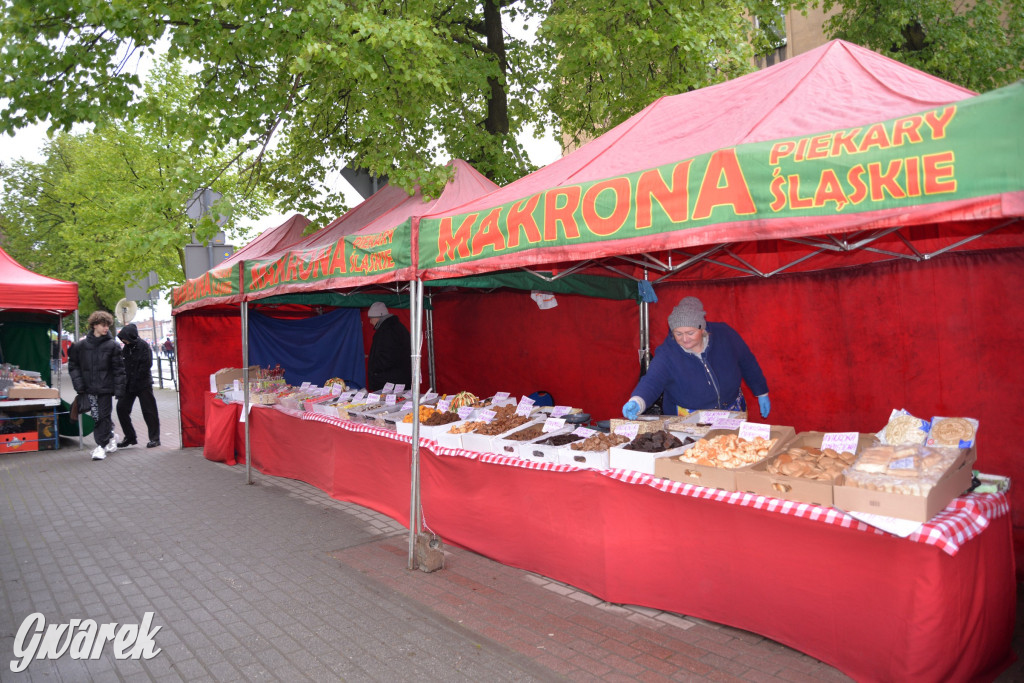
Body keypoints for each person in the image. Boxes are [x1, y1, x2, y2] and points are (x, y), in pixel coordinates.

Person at [622, 296, 770, 420]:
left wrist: (761, 391)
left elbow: (747, 362)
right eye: (678, 334)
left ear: (702, 328)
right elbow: (652, 381)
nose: (685, 339)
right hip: (688, 417)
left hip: (732, 408)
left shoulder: (725, 334)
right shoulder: (667, 353)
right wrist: (638, 401)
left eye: (690, 333)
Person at [68, 310, 126, 460]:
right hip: (88, 389)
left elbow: (119, 369)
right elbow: (73, 365)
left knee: (103, 416)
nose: (106, 328)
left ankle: (101, 446)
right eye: (103, 325)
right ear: (94, 325)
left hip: (105, 389)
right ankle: (111, 435)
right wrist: (79, 384)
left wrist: (119, 390)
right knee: (97, 417)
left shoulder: (113, 346)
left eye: (108, 325)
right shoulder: (80, 346)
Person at [115, 323, 161, 448]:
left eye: (124, 338)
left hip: (143, 384)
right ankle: (130, 437)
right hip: (129, 385)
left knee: (149, 411)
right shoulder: (126, 348)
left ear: (131, 337)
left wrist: (135, 378)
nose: (123, 341)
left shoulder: (143, 346)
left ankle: (155, 438)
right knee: (121, 408)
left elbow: (146, 365)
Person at [366, 302, 412, 392]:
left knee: (389, 405)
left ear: (378, 317)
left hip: (389, 383)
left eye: (371, 318)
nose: (370, 322)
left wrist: (374, 369)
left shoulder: (386, 331)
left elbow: (387, 357)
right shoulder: (398, 327)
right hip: (400, 380)